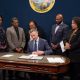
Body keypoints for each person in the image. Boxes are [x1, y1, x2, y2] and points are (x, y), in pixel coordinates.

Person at [0, 16, 8, 80]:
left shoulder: (2, 29)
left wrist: (5, 45)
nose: (0, 21)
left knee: (4, 66)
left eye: (1, 20)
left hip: (3, 50)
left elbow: (5, 39)